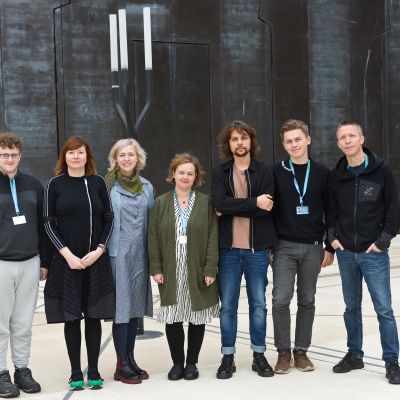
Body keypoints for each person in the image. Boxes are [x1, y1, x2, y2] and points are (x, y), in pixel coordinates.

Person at [329, 121, 400, 384]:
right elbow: (331, 211)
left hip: (374, 253)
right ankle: (354, 355)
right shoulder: (337, 175)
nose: (347, 141)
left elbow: (393, 209)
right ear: (338, 144)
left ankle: (392, 361)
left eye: (351, 136)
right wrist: (333, 238)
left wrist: (383, 241)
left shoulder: (380, 170)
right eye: (342, 137)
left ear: (362, 139)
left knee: (384, 309)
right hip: (346, 253)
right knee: (351, 307)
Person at [43, 136, 115, 390]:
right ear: (65, 157)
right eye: (71, 153)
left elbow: (108, 218)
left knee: (93, 317)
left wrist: (99, 249)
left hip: (95, 260)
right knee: (72, 318)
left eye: (80, 152)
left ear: (87, 156)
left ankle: (94, 370)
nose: (76, 157)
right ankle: (75, 372)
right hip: (67, 262)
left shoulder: (97, 183)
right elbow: (48, 223)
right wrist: (68, 256)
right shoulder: (54, 184)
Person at [212, 120, 277, 379]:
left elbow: (268, 207)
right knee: (227, 306)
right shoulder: (220, 172)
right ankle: (228, 356)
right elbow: (218, 203)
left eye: (243, 138)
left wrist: (231, 205)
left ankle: (258, 355)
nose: (239, 143)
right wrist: (253, 203)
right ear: (228, 144)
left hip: (257, 250)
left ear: (251, 141)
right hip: (228, 250)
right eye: (234, 139)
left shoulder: (264, 171)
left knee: (258, 304)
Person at [148, 153, 219, 381]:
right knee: (174, 317)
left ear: (195, 176)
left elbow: (212, 237)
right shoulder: (161, 203)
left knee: (197, 317)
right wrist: (156, 268)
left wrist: (210, 268)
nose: (186, 176)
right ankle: (177, 363)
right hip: (171, 270)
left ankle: (191, 363)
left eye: (190, 173)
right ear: (173, 175)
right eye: (182, 172)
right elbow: (153, 238)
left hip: (197, 269)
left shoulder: (206, 202)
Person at [271, 119, 334, 374]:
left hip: (313, 247)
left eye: (298, 139)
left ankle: (302, 352)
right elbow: (269, 211)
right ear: (284, 145)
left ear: (308, 140)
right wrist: (268, 247)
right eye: (289, 141)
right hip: (284, 247)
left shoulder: (322, 173)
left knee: (307, 300)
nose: (294, 144)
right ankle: (283, 353)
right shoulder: (276, 172)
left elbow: (332, 212)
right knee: (280, 300)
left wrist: (330, 247)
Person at [0, 133, 48, 398]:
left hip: (30, 262)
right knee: (0, 324)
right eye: (4, 155)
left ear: (20, 155)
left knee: (23, 323)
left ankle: (22, 369)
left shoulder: (32, 184)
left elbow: (43, 225)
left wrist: (44, 260)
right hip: (1, 264)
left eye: (13, 154)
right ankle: (1, 374)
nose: (9, 159)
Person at [105, 138, 153, 384]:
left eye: (130, 155)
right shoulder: (107, 185)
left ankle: (131, 358)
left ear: (138, 158)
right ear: (115, 158)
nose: (126, 159)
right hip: (117, 254)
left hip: (140, 255)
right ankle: (121, 363)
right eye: (122, 155)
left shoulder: (146, 186)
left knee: (135, 310)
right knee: (121, 310)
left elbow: (151, 223)